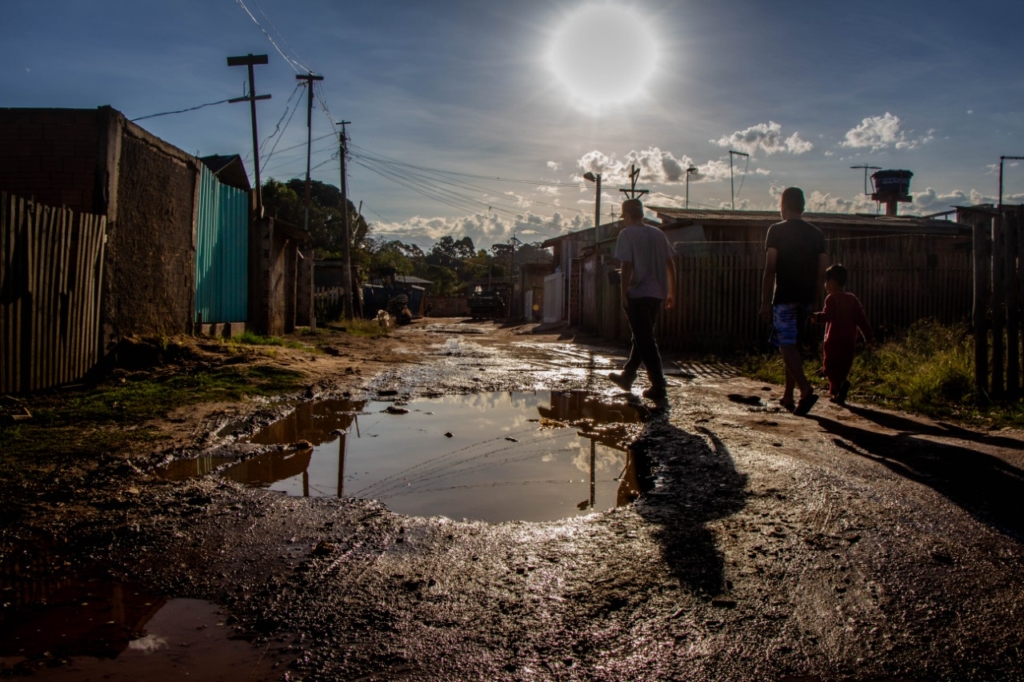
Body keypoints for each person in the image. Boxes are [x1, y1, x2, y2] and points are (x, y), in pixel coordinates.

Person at [759, 187, 828, 416]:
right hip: (806, 298)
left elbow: (770, 268)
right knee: (794, 345)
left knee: (786, 344)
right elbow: (822, 270)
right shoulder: (817, 234)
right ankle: (788, 394)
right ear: (803, 206)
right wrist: (817, 298)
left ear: (783, 205)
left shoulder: (776, 231)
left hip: (785, 297)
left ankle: (805, 389)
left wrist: (764, 301)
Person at [608, 198, 676, 401]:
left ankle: (658, 384)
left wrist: (623, 293)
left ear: (628, 216)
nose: (624, 221)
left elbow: (627, 266)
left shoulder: (627, 234)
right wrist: (672, 291)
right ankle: (628, 376)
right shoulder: (658, 233)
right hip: (657, 294)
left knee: (645, 339)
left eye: (625, 218)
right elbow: (670, 263)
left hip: (637, 293)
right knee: (641, 336)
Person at [811, 263, 874, 405]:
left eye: (826, 282)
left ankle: (841, 386)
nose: (825, 285)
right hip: (849, 342)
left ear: (832, 282)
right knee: (843, 368)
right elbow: (861, 319)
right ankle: (837, 393)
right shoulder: (852, 299)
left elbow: (828, 315)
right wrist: (868, 336)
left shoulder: (831, 299)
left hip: (833, 341)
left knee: (830, 368)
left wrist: (816, 317)